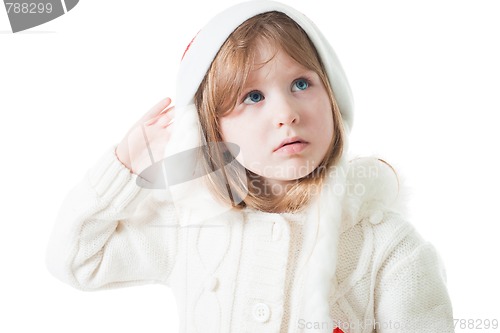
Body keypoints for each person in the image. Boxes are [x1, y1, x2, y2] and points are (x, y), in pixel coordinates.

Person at [45, 1, 455, 332]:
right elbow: (76, 259)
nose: (286, 113)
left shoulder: (389, 248)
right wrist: (122, 164)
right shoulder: (191, 227)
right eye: (253, 97)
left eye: (301, 84)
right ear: (211, 133)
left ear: (333, 98)